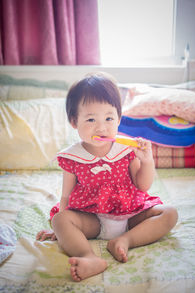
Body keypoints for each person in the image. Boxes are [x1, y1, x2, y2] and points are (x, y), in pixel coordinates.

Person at [36, 72, 178, 282]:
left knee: (170, 213)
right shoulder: (72, 157)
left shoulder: (125, 149)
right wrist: (63, 231)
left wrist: (147, 161)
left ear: (119, 119)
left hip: (130, 215)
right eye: (91, 119)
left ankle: (124, 241)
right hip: (91, 219)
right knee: (59, 219)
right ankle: (89, 257)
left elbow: (143, 185)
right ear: (74, 121)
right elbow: (65, 197)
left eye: (109, 118)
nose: (101, 127)